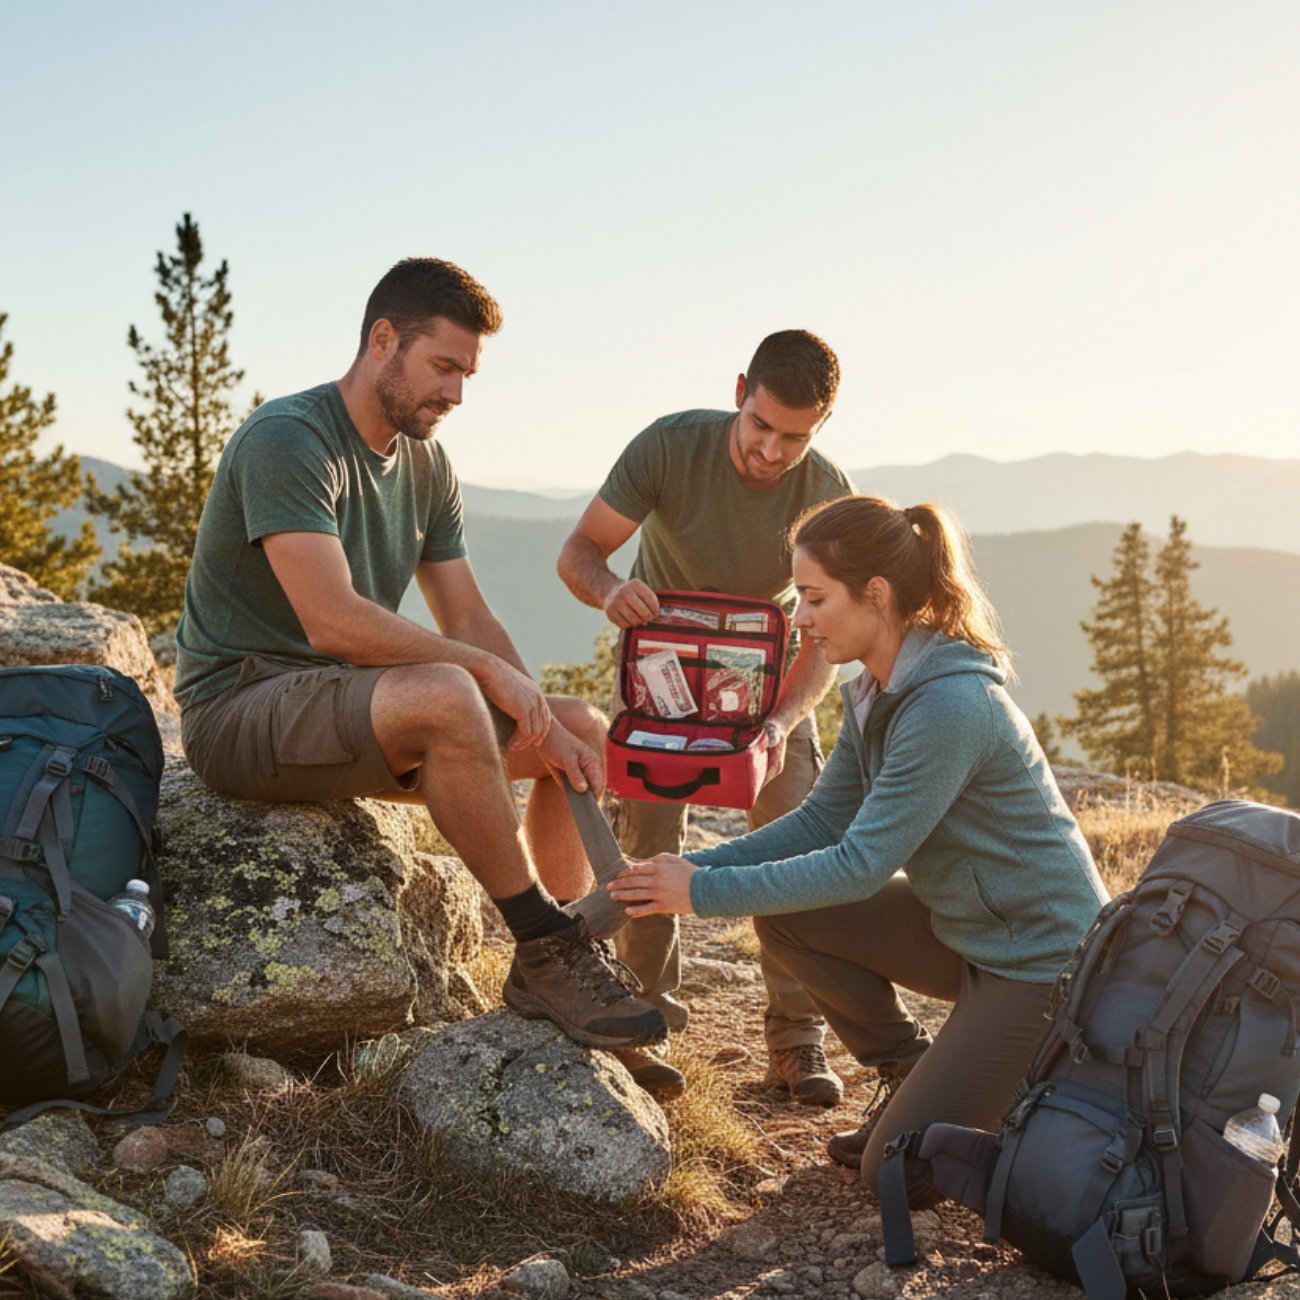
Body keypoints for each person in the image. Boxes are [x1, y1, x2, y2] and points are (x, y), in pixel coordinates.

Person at [173, 257, 667, 1053]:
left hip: (347, 705)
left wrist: (536, 712)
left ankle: (567, 965)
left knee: (578, 723)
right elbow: (331, 620)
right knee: (449, 691)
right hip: (241, 708)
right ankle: (542, 944)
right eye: (443, 366)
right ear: (382, 341)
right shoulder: (289, 440)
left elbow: (466, 613)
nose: (456, 394)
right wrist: (483, 676)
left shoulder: (427, 463)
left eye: (467, 374)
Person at [607, 494, 1108, 1203]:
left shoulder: (949, 707)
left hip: (1042, 969)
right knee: (787, 918)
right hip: (969, 937)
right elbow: (819, 825)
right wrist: (690, 870)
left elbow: (860, 865)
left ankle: (1033, 1108)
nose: (799, 617)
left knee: (895, 1175)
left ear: (876, 595)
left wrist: (699, 894)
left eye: (813, 598)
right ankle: (910, 1069)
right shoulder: (874, 688)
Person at [557, 330, 856, 1103]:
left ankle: (797, 1042)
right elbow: (580, 551)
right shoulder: (669, 448)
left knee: (796, 850)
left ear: (820, 425)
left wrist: (785, 722)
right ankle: (643, 1022)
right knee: (647, 849)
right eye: (761, 425)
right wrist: (608, 592)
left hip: (769, 683)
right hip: (661, 678)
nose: (771, 450)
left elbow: (824, 632)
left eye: (795, 436)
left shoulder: (825, 489)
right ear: (738, 392)